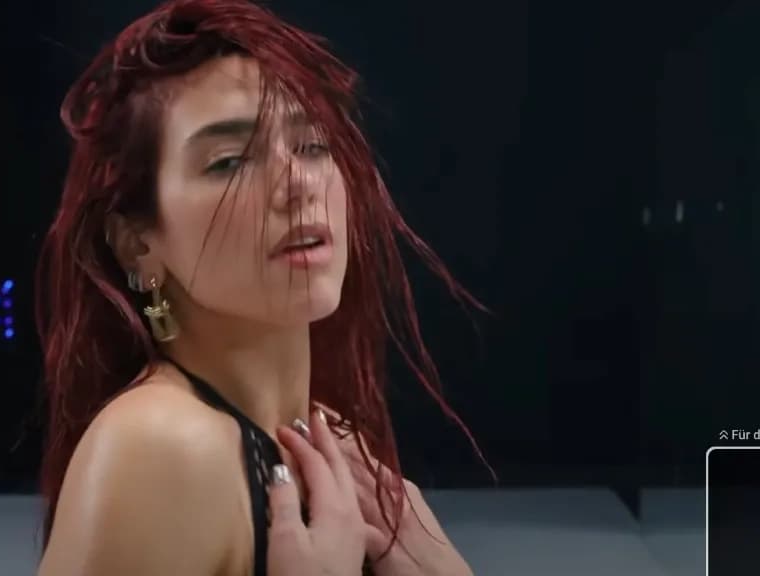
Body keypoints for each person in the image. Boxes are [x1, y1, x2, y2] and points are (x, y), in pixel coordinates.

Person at [35, 0, 488, 574]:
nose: (297, 182)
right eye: (228, 161)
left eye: (313, 145)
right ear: (137, 245)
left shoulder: (330, 437)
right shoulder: (159, 444)